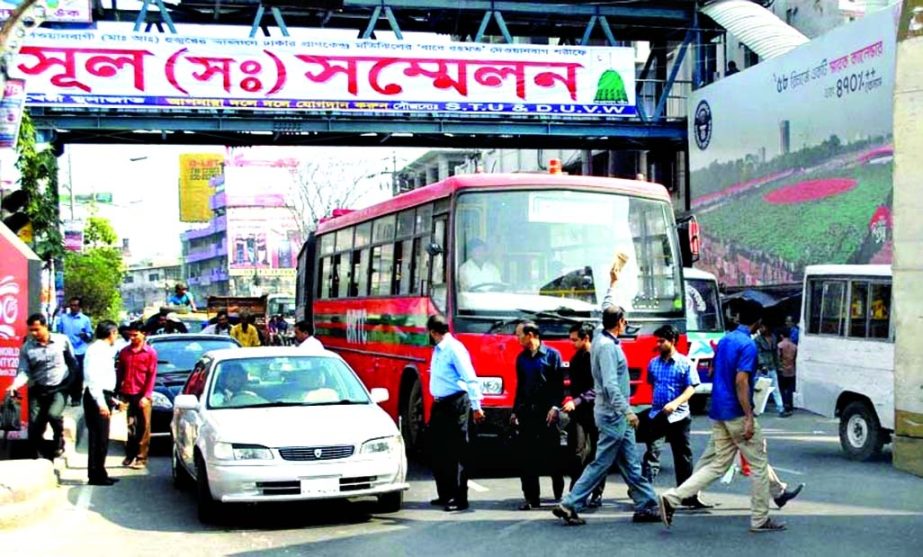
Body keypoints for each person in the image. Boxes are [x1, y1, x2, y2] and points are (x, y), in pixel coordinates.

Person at [659, 302, 802, 533]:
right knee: (757, 465)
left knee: (717, 465)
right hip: (736, 412)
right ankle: (760, 519)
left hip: (718, 410)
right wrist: (748, 415)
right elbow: (741, 381)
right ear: (757, 322)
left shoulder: (725, 340)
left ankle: (672, 498)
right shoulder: (748, 345)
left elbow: (715, 371)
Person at [552, 302, 661, 525]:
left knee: (630, 463)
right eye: (624, 320)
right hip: (614, 414)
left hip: (611, 413)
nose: (626, 323)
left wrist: (613, 280)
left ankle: (646, 504)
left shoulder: (600, 338)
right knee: (601, 463)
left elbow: (607, 304)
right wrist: (628, 411)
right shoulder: (608, 348)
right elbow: (611, 386)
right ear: (620, 322)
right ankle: (570, 503)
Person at [637, 325, 709, 508]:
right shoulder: (653, 363)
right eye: (658, 341)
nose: (658, 344)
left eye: (662, 341)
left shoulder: (685, 363)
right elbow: (652, 384)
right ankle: (644, 494)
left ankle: (687, 495)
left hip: (679, 416)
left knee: (683, 456)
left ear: (673, 341)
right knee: (653, 453)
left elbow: (691, 388)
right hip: (657, 415)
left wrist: (675, 403)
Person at [426, 314, 485, 512]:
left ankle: (459, 498)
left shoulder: (454, 349)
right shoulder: (438, 349)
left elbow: (470, 377)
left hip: (457, 403)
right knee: (437, 450)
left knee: (456, 451)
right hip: (440, 404)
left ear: (434, 332)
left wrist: (476, 406)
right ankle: (444, 493)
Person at [6, 314, 78, 460]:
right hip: (39, 389)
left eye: (37, 329)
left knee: (53, 415)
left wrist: (74, 386)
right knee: (35, 424)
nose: (34, 333)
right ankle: (39, 455)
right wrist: (15, 385)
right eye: (31, 330)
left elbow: (73, 363)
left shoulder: (62, 340)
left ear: (45, 326)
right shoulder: (27, 348)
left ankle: (59, 439)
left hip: (59, 387)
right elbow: (24, 371)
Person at [511, 321, 565, 510]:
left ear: (531, 334)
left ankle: (558, 491)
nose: (517, 338)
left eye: (520, 335)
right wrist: (515, 411)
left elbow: (559, 386)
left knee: (552, 455)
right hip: (528, 413)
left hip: (547, 414)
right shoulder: (521, 359)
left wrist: (555, 407)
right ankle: (531, 497)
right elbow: (520, 387)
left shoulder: (552, 356)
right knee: (526, 457)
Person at [560, 322, 604, 507]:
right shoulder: (577, 358)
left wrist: (575, 401)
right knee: (577, 453)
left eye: (575, 340)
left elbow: (597, 389)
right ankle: (575, 493)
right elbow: (574, 386)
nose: (572, 343)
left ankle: (597, 493)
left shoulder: (598, 358)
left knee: (597, 454)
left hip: (597, 411)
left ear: (586, 338)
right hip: (579, 413)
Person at [82, 320, 120, 486]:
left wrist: (111, 399)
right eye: (115, 333)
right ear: (111, 333)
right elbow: (93, 379)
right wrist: (101, 403)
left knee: (103, 438)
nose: (116, 336)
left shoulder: (106, 350)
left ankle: (100, 471)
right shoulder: (95, 350)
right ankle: (95, 475)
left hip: (103, 395)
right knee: (98, 438)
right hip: (96, 397)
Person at [117, 321, 158, 469]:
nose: (133, 338)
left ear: (144, 334)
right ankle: (129, 454)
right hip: (127, 393)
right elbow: (119, 373)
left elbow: (152, 375)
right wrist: (118, 394)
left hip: (142, 394)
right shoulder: (124, 352)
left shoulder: (150, 353)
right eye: (131, 335)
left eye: (136, 335)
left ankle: (141, 457)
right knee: (128, 427)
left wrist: (146, 396)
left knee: (144, 427)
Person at [56, 297, 93, 406]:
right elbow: (59, 333)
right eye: (71, 305)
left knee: (78, 375)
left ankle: (76, 398)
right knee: (67, 374)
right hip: (66, 351)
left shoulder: (85, 319)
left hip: (80, 351)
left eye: (75, 305)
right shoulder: (63, 318)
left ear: (79, 307)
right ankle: (65, 395)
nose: (73, 307)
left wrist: (85, 335)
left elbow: (90, 335)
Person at [754, 323, 784, 414]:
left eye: (762, 327)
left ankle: (780, 407)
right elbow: (758, 353)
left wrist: (779, 366)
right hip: (762, 367)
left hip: (771, 365)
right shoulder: (757, 339)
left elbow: (775, 354)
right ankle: (756, 406)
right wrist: (762, 364)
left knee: (775, 388)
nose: (761, 329)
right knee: (759, 388)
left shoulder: (773, 338)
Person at [777, 329, 797, 417]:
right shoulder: (794, 346)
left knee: (781, 389)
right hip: (792, 370)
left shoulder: (780, 345)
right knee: (790, 390)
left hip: (782, 369)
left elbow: (778, 358)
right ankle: (790, 406)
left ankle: (784, 405)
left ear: (781, 336)